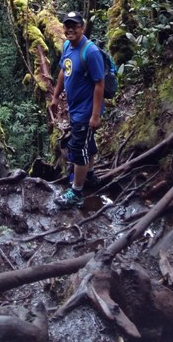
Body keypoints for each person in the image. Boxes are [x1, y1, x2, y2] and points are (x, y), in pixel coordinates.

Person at [50, 11, 105, 208]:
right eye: (67, 25)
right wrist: (56, 96)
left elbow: (100, 84)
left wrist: (96, 115)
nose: (70, 29)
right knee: (86, 144)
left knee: (77, 149)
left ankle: (77, 192)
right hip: (75, 109)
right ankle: (89, 176)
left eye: (75, 25)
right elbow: (64, 71)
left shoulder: (90, 52)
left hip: (86, 111)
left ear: (82, 28)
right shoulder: (66, 46)